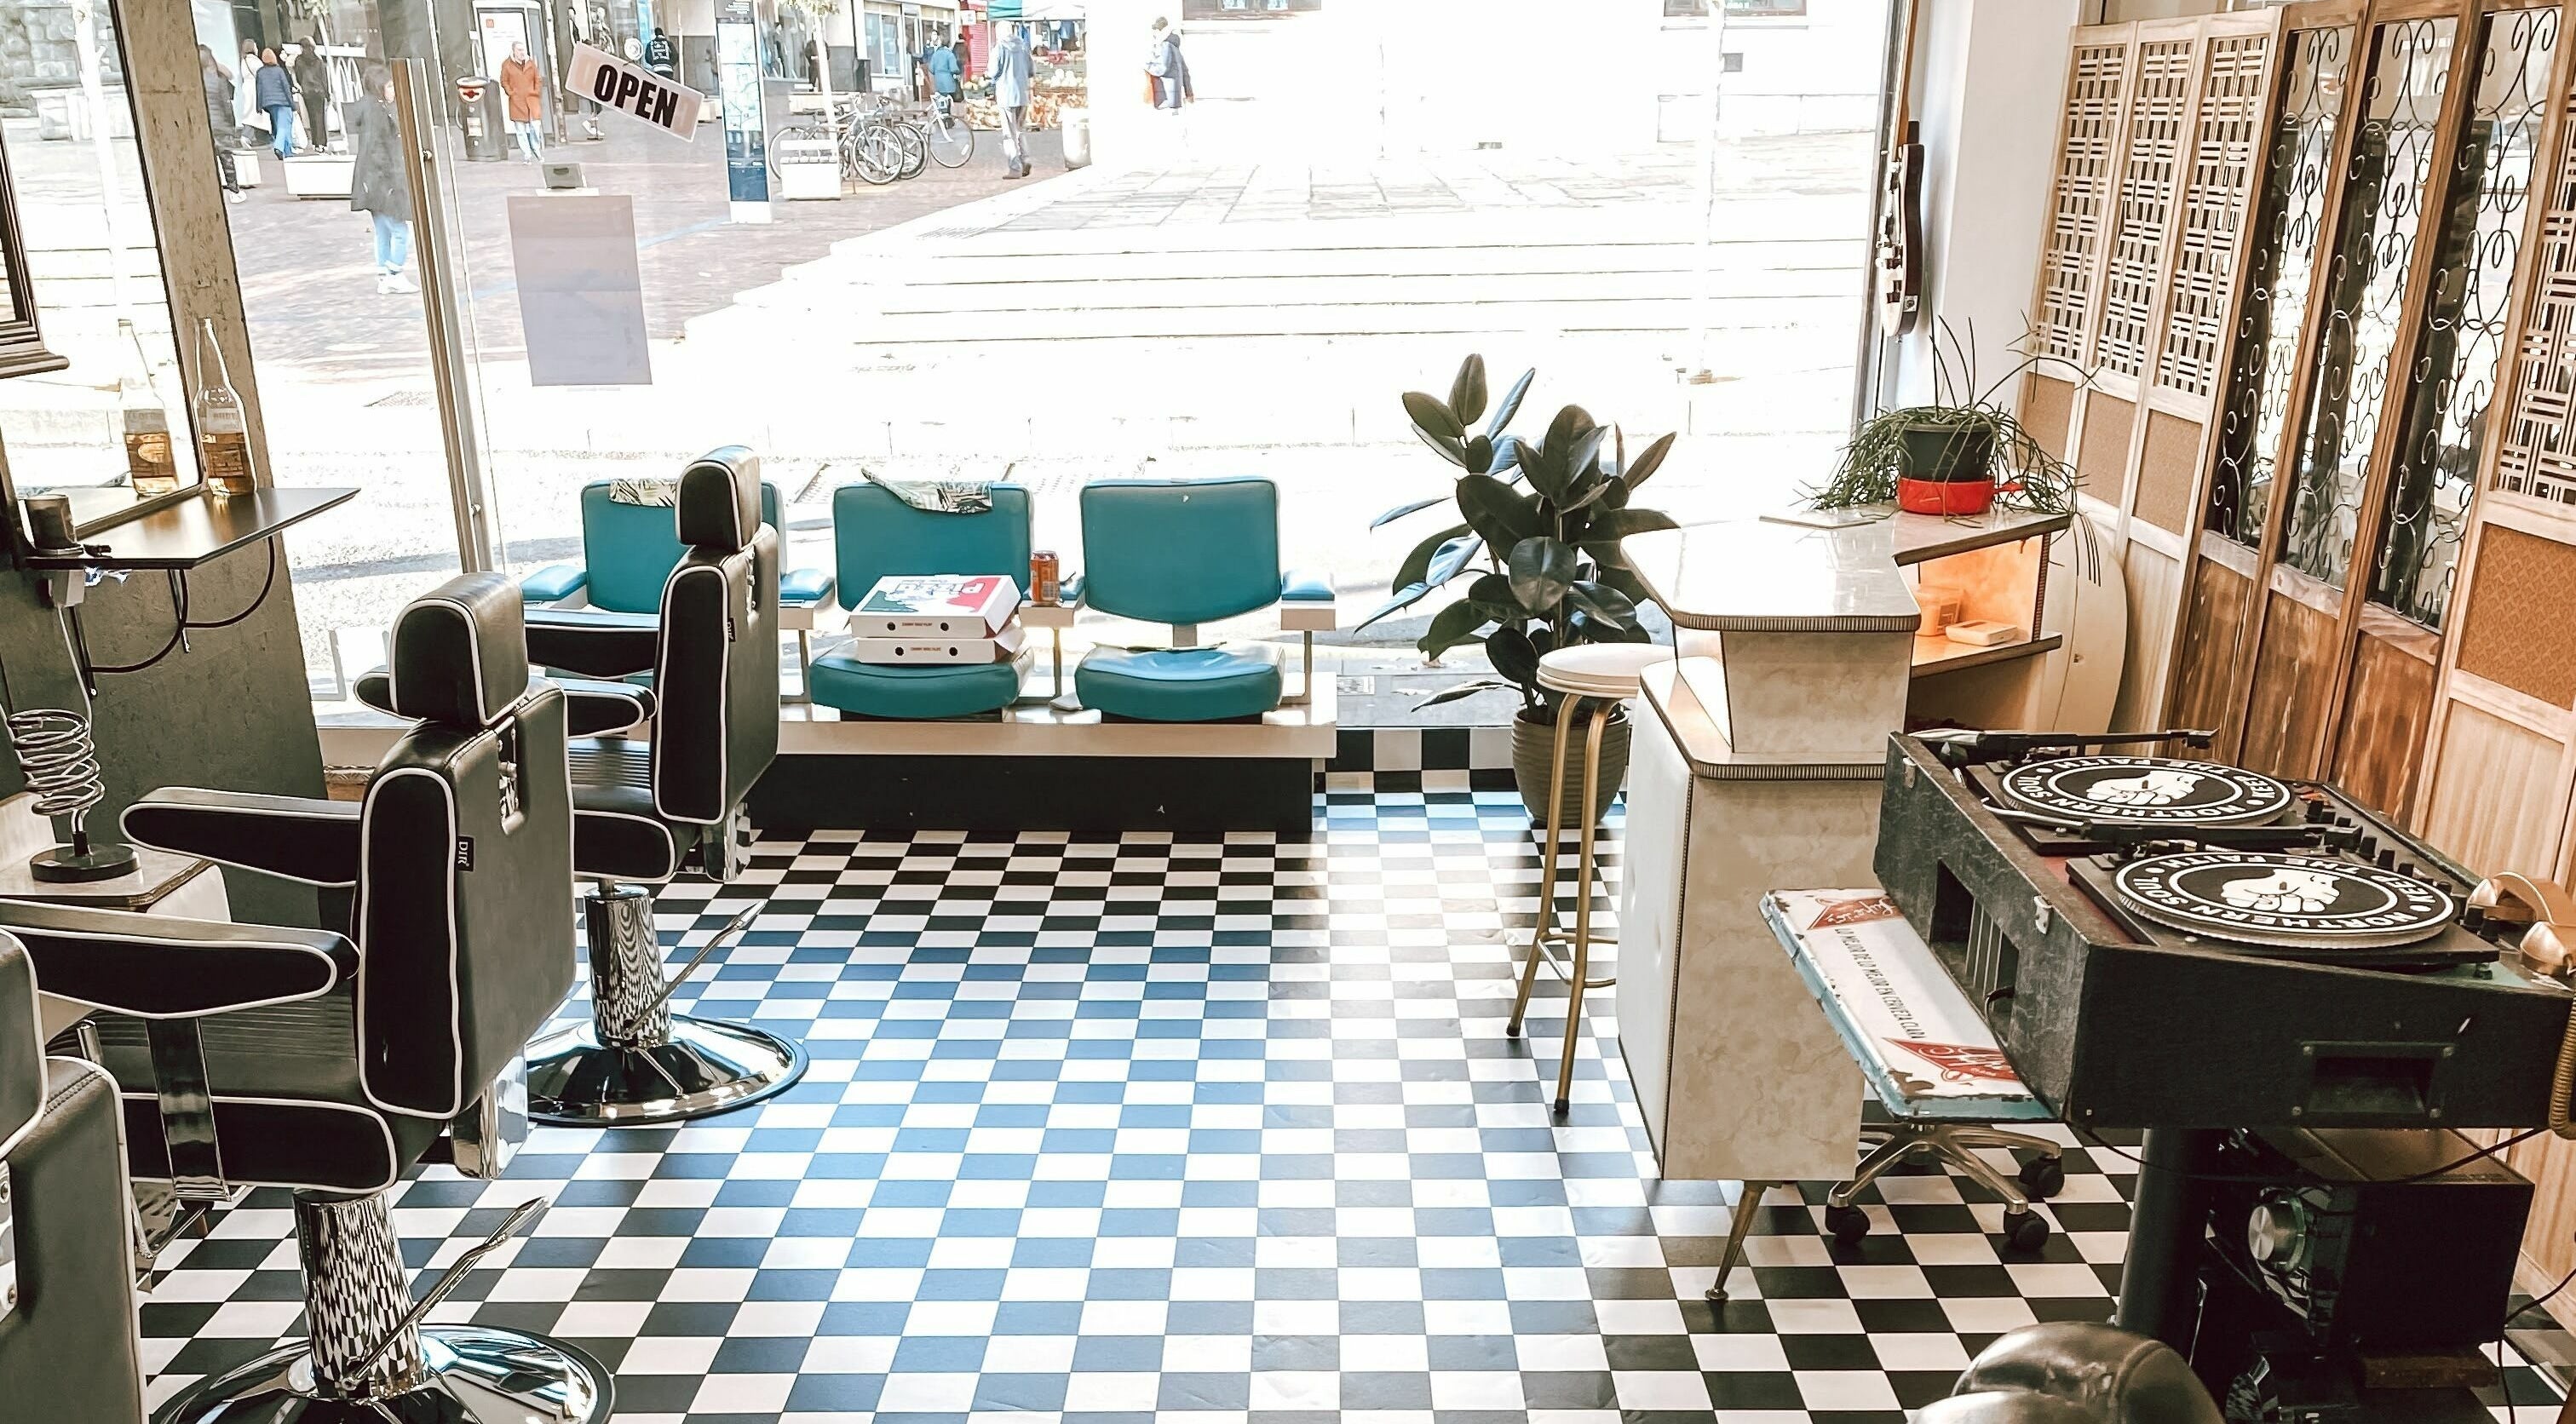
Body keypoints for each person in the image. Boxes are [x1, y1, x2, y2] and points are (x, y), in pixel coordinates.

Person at [348, 67, 416, 295]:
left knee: (383, 231)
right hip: (382, 180)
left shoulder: (370, 108)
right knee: (399, 229)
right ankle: (395, 273)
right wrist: (391, 180)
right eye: (389, 86)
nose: (393, 90)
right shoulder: (377, 111)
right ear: (379, 87)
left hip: (371, 181)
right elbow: (378, 149)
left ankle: (384, 276)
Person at [986, 22, 1032, 180]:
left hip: (1006, 95)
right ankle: (1026, 158)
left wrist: (991, 77)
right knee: (1020, 130)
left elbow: (993, 71)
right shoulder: (1024, 46)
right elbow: (1031, 70)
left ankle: (1015, 167)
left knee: (1009, 134)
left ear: (999, 33)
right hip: (1022, 94)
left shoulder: (999, 48)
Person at [198, 45, 243, 201]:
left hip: (203, 127)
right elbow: (226, 105)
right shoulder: (218, 79)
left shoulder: (193, 82)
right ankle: (234, 192)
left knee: (206, 160)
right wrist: (232, 125)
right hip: (220, 125)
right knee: (226, 158)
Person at [500, 41, 544, 161]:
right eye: (519, 50)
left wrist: (536, 91)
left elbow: (538, 78)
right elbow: (504, 81)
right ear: (514, 51)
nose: (522, 52)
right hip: (517, 101)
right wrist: (511, 93)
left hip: (532, 99)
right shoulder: (507, 65)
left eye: (523, 50)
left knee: (535, 127)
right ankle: (527, 154)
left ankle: (536, 149)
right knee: (520, 130)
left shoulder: (531, 63)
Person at [254, 47, 296, 158]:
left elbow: (259, 89)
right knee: (284, 126)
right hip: (283, 102)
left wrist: (259, 106)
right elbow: (286, 88)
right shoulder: (279, 70)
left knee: (280, 126)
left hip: (269, 104)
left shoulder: (260, 72)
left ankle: (287, 151)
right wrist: (292, 104)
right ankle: (279, 147)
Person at [292, 38, 331, 152]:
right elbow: (324, 79)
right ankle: (322, 143)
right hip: (319, 91)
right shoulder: (318, 61)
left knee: (312, 118)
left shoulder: (298, 60)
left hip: (307, 92)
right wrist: (328, 95)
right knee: (320, 117)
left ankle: (315, 143)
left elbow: (299, 76)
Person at [1147, 17, 1190, 112]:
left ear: (1159, 30)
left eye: (1155, 30)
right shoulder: (1175, 48)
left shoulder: (1166, 46)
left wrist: (1148, 67)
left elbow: (1162, 69)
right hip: (1174, 96)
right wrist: (1189, 93)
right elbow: (1185, 72)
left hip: (1166, 96)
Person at [234, 38, 262, 148]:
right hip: (254, 88)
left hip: (247, 87)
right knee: (254, 113)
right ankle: (247, 136)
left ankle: (250, 136)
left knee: (250, 112)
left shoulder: (243, 60)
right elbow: (261, 74)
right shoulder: (255, 61)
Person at [926, 33, 961, 111]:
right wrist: (958, 71)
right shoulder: (950, 55)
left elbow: (931, 69)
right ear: (949, 44)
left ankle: (941, 115)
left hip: (938, 81)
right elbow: (954, 69)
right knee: (947, 102)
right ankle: (947, 117)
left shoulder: (935, 55)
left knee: (940, 101)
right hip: (948, 82)